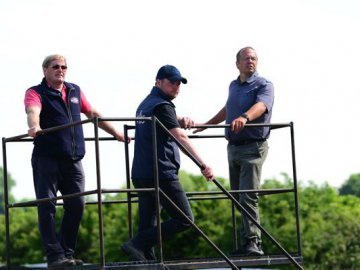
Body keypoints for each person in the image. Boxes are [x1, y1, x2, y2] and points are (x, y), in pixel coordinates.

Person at [24, 54, 129, 268]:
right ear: (45, 70)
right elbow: (32, 110)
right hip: (47, 158)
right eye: (55, 67)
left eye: (63, 67)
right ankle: (54, 256)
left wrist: (116, 133)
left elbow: (92, 112)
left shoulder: (74, 90)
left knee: (77, 204)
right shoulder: (35, 92)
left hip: (73, 160)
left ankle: (66, 253)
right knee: (47, 206)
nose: (60, 70)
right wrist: (34, 126)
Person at [121, 65, 214, 261]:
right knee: (185, 219)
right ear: (158, 82)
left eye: (179, 83)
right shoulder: (162, 106)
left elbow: (165, 120)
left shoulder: (146, 104)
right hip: (161, 172)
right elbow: (181, 137)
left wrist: (180, 119)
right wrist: (203, 165)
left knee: (148, 221)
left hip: (141, 172)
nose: (176, 86)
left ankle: (143, 257)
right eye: (172, 82)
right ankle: (136, 244)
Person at [194, 47, 274, 256]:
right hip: (234, 148)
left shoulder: (264, 84)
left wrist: (245, 118)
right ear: (237, 63)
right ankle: (247, 241)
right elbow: (228, 109)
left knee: (248, 195)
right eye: (247, 58)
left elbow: (262, 106)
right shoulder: (233, 85)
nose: (251, 61)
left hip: (253, 147)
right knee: (238, 196)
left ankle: (254, 242)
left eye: (254, 58)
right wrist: (207, 124)